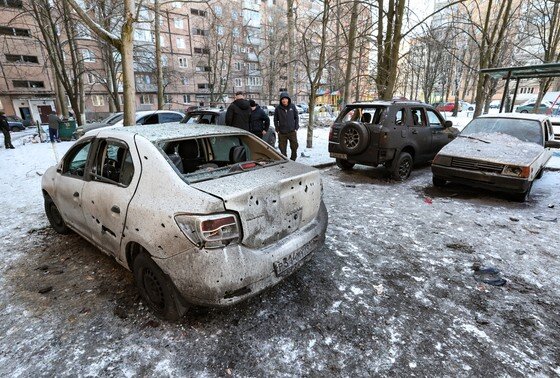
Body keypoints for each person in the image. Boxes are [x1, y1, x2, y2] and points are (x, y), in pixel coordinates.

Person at [274, 92, 299, 161]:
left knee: (294, 146)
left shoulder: (292, 107)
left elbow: (296, 117)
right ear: (281, 100)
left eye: (285, 99)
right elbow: (275, 119)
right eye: (283, 99)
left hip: (292, 131)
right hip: (282, 132)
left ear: (288, 99)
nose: (284, 100)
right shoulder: (278, 108)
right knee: (282, 148)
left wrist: (296, 127)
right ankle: (285, 160)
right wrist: (277, 129)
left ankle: (293, 159)